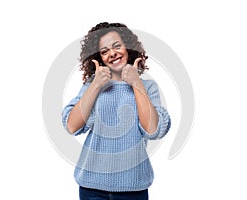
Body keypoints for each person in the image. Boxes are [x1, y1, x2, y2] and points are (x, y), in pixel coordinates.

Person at [62, 22, 171, 200]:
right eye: (104, 51)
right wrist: (96, 84)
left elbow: (153, 130)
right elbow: (72, 126)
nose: (112, 53)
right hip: (91, 188)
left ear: (128, 47)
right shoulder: (92, 86)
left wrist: (136, 83)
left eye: (117, 46)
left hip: (134, 188)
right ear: (99, 57)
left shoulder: (148, 87)